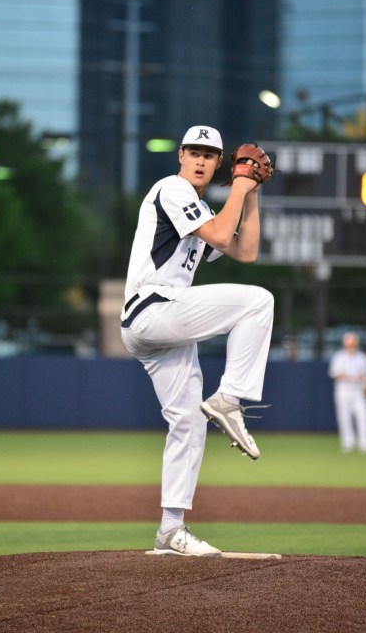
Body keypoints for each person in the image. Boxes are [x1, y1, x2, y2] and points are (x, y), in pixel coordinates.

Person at [120, 126, 274, 556]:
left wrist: (252, 193)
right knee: (258, 302)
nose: (202, 160)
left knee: (187, 424)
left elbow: (245, 251)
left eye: (211, 154)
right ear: (181, 156)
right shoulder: (172, 188)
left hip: (162, 327)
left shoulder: (201, 207)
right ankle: (232, 397)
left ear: (218, 162)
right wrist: (241, 186)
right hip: (153, 310)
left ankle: (171, 530)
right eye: (195, 152)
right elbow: (223, 237)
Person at [328, 332, 366, 454]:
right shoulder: (339, 357)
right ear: (345, 344)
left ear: (356, 343)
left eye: (353, 343)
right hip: (343, 390)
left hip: (358, 391)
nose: (351, 345)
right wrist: (352, 377)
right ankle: (348, 444)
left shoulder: (361, 357)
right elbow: (335, 374)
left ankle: (365, 444)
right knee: (344, 417)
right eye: (349, 343)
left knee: (364, 416)